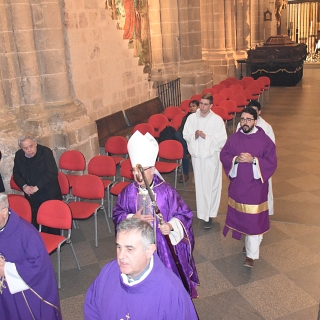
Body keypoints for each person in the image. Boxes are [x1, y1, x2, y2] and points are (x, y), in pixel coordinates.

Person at [113, 130, 199, 298]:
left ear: (153, 169)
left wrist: (171, 226)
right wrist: (132, 218)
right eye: (134, 171)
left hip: (163, 248)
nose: (137, 175)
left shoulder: (166, 192)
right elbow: (117, 214)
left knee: (165, 288)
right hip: (136, 248)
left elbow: (185, 214)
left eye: (141, 170)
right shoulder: (128, 192)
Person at [84, 218, 199, 319]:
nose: (121, 256)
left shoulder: (172, 291)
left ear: (149, 250)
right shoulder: (108, 272)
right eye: (119, 247)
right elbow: (92, 309)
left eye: (130, 249)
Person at [220, 107, 277, 268]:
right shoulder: (234, 138)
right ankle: (248, 243)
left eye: (248, 119)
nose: (245, 123)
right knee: (243, 218)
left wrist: (254, 160)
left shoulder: (264, 140)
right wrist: (235, 160)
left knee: (254, 220)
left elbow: (272, 162)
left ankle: (251, 255)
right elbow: (224, 155)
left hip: (256, 188)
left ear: (255, 121)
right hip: (238, 187)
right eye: (243, 119)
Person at [0, 193, 61, 319]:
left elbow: (39, 266)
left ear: (4, 211)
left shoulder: (26, 233)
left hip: (23, 295)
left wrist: (6, 269)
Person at [183, 93, 227, 229]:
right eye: (201, 103)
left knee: (211, 186)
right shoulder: (191, 118)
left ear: (211, 105)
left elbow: (222, 139)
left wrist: (206, 137)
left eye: (205, 104)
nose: (202, 107)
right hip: (197, 158)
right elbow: (185, 134)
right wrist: (193, 135)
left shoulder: (217, 120)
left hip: (211, 158)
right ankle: (203, 214)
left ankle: (210, 214)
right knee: (201, 186)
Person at [13, 135, 62, 230]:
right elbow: (16, 174)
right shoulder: (19, 155)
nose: (29, 150)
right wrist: (24, 186)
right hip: (31, 194)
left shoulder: (45, 152)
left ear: (35, 143)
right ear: (21, 148)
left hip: (48, 191)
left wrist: (37, 187)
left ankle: (53, 241)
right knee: (34, 220)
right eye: (25, 148)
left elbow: (51, 173)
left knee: (50, 222)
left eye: (31, 146)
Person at [236, 100, 275, 215]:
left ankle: (263, 212)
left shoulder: (266, 127)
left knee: (261, 192)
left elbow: (271, 148)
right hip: (243, 165)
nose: (251, 112)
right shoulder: (241, 124)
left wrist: (254, 159)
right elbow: (236, 141)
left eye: (255, 111)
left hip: (259, 166)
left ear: (260, 112)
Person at [174, 100, 199, 183]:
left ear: (198, 107)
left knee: (184, 149)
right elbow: (182, 129)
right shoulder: (187, 117)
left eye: (194, 106)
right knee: (177, 134)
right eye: (191, 106)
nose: (192, 108)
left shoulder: (201, 117)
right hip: (186, 139)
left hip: (197, 139)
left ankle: (185, 173)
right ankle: (185, 173)